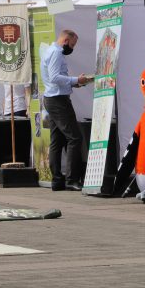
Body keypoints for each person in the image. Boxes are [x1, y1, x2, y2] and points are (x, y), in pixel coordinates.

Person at [40, 30, 93, 191]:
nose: (73, 48)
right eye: (72, 44)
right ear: (66, 40)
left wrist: (75, 83)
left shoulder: (52, 51)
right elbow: (55, 77)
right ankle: (72, 179)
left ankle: (57, 179)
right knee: (74, 138)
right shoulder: (56, 53)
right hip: (58, 101)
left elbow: (55, 78)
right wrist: (76, 80)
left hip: (53, 99)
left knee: (57, 140)